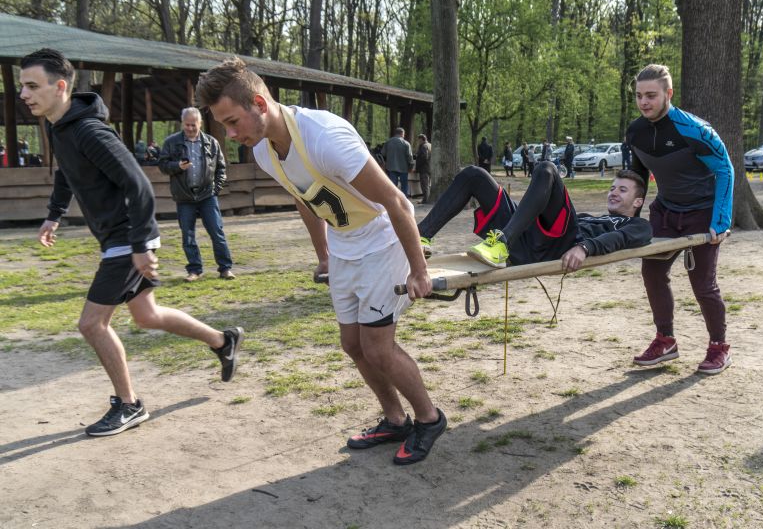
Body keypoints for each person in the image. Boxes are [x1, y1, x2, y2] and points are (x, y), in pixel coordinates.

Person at [195, 57, 445, 465]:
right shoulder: (263, 151)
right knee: (353, 345)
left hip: (382, 242)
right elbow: (304, 199)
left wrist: (419, 269)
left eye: (232, 121)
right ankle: (394, 419)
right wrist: (324, 255)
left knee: (378, 348)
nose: (230, 133)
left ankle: (429, 418)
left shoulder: (324, 136)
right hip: (345, 247)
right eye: (223, 125)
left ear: (259, 103)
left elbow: (397, 202)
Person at [20, 48, 243, 437]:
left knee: (91, 324)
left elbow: (138, 184)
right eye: (22, 85)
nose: (24, 93)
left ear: (60, 87)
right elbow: (66, 174)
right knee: (147, 316)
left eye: (32, 85)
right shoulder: (61, 128)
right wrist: (54, 214)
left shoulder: (90, 131)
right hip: (120, 239)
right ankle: (222, 341)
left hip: (126, 239)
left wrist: (139, 245)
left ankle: (129, 404)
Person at [627, 64, 734, 375]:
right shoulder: (635, 131)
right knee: (652, 272)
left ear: (668, 94)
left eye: (651, 95)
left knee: (703, 284)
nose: (644, 102)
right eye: (638, 96)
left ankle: (719, 347)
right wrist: (629, 220)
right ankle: (665, 340)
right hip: (666, 211)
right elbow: (638, 174)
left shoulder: (695, 130)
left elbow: (725, 169)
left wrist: (721, 219)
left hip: (702, 214)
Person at [418, 163, 651, 269]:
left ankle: (501, 244)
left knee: (546, 169)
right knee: (474, 174)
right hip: (527, 239)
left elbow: (618, 240)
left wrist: (585, 248)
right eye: (612, 188)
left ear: (638, 201)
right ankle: (418, 238)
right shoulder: (590, 216)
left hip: (558, 245)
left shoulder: (638, 224)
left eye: (622, 190)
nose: (614, 193)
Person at [159, 107, 235, 282]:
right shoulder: (171, 142)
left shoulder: (211, 142)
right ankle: (194, 270)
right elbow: (162, 165)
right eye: (187, 125)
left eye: (194, 125)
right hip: (184, 197)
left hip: (207, 196)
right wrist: (177, 166)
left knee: (217, 233)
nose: (190, 128)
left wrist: (215, 190)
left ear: (200, 123)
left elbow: (221, 168)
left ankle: (225, 269)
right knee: (188, 235)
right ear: (182, 123)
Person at [383, 127, 414, 196]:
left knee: (393, 186)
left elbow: (383, 154)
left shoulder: (388, 142)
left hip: (391, 167)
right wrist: (411, 167)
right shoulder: (406, 143)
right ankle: (404, 201)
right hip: (404, 168)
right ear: (402, 134)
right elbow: (410, 156)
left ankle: (392, 200)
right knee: (404, 186)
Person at [415, 133, 432, 202]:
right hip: (430, 167)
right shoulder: (430, 145)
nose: (418, 142)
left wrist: (418, 165)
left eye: (418, 140)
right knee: (428, 184)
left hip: (424, 168)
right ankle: (427, 198)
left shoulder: (424, 146)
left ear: (421, 139)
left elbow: (424, 157)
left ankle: (425, 200)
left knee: (424, 184)